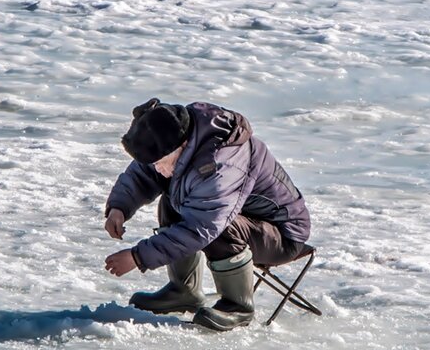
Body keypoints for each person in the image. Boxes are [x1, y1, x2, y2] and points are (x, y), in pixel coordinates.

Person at [103, 98, 312, 331]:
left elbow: (201, 228)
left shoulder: (222, 164)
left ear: (180, 147)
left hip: (282, 235)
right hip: (241, 217)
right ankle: (184, 291)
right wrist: (118, 208)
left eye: (161, 162)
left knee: (218, 226)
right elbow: (145, 172)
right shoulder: (177, 136)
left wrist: (137, 256)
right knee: (172, 200)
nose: (158, 169)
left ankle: (238, 306)